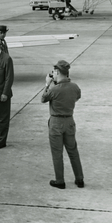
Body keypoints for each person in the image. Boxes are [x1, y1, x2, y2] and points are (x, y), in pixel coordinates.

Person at [41, 60, 84, 189]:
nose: (53, 74)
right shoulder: (75, 87)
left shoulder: (54, 89)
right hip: (70, 121)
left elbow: (43, 98)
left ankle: (60, 180)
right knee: (73, 151)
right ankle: (79, 179)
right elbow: (77, 97)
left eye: (54, 72)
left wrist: (47, 84)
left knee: (57, 153)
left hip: (56, 122)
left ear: (58, 72)